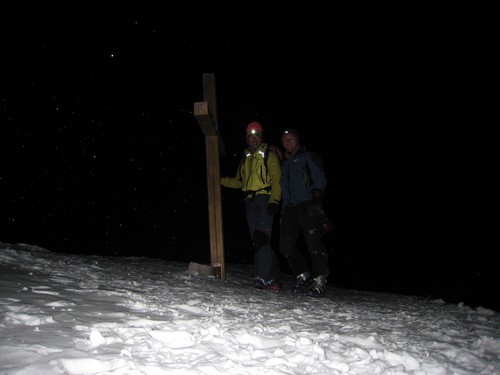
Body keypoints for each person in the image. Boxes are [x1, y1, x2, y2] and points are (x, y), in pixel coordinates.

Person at [221, 121, 282, 291]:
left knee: (262, 238)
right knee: (258, 240)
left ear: (261, 138)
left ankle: (262, 277)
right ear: (247, 139)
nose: (254, 140)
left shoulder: (269, 155)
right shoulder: (245, 159)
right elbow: (238, 182)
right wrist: (220, 180)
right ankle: (272, 277)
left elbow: (277, 180)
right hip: (250, 202)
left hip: (265, 199)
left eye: (257, 136)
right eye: (250, 137)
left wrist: (274, 201)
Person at [278, 128, 333, 298]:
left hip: (307, 204)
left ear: (298, 140)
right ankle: (303, 277)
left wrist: (316, 198)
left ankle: (319, 281)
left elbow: (320, 177)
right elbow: (284, 190)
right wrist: (283, 211)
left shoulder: (308, 156)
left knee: (314, 244)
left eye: (291, 139)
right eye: (285, 140)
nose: (288, 142)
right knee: (285, 247)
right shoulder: (284, 164)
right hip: (289, 208)